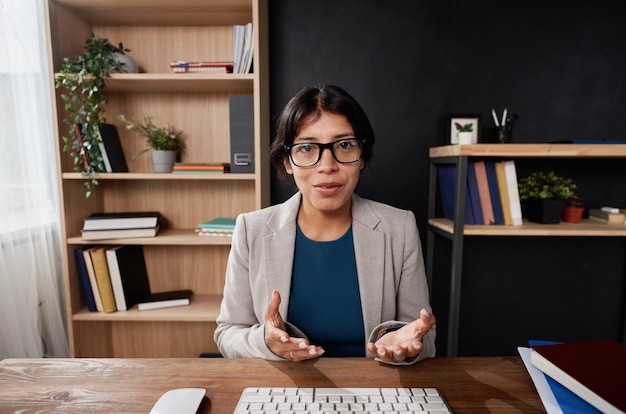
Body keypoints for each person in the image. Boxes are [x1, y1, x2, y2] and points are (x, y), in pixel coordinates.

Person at [214, 84, 436, 365]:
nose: (327, 165)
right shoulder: (252, 230)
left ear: (363, 156)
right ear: (287, 161)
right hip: (285, 390)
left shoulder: (399, 228)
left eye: (344, 145)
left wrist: (406, 347)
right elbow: (228, 333)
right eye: (307, 148)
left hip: (374, 390)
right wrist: (267, 342)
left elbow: (424, 336)